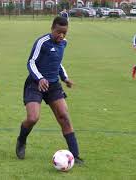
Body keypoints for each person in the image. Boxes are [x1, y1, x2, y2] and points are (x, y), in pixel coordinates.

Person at [15, 16, 83, 164]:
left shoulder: (63, 43)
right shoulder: (42, 42)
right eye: (59, 32)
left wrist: (65, 78)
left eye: (64, 32)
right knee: (33, 118)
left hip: (53, 85)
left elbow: (58, 63)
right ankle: (21, 140)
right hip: (35, 84)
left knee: (64, 117)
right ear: (52, 28)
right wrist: (40, 78)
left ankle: (75, 155)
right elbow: (31, 62)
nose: (61, 35)